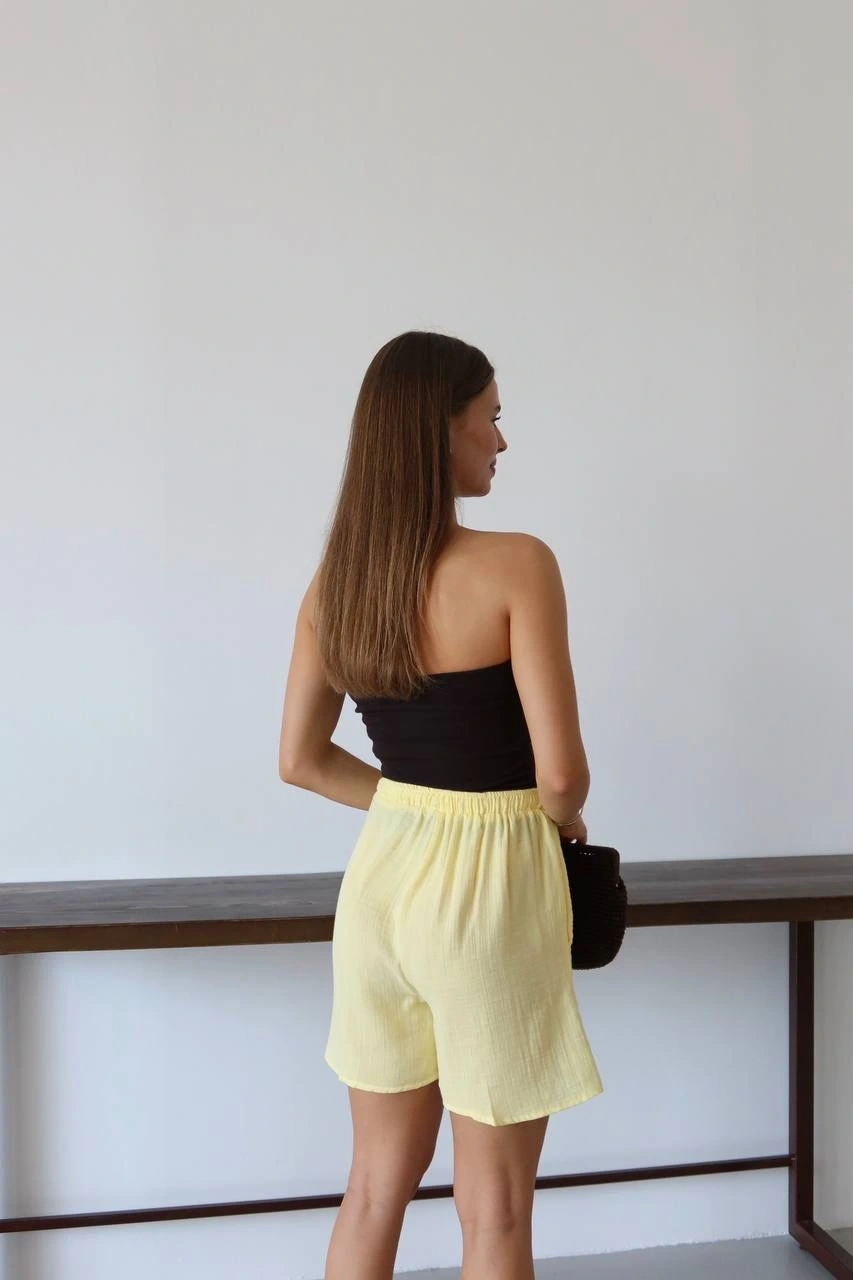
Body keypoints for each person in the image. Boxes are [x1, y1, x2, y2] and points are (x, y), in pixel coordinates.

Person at [278, 331, 603, 1280]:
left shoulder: (336, 586)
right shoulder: (517, 564)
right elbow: (561, 779)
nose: (500, 441)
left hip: (379, 892)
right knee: (493, 1211)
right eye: (488, 419)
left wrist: (417, 805)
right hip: (492, 893)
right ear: (439, 431)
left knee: (372, 1188)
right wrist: (556, 823)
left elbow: (300, 761)